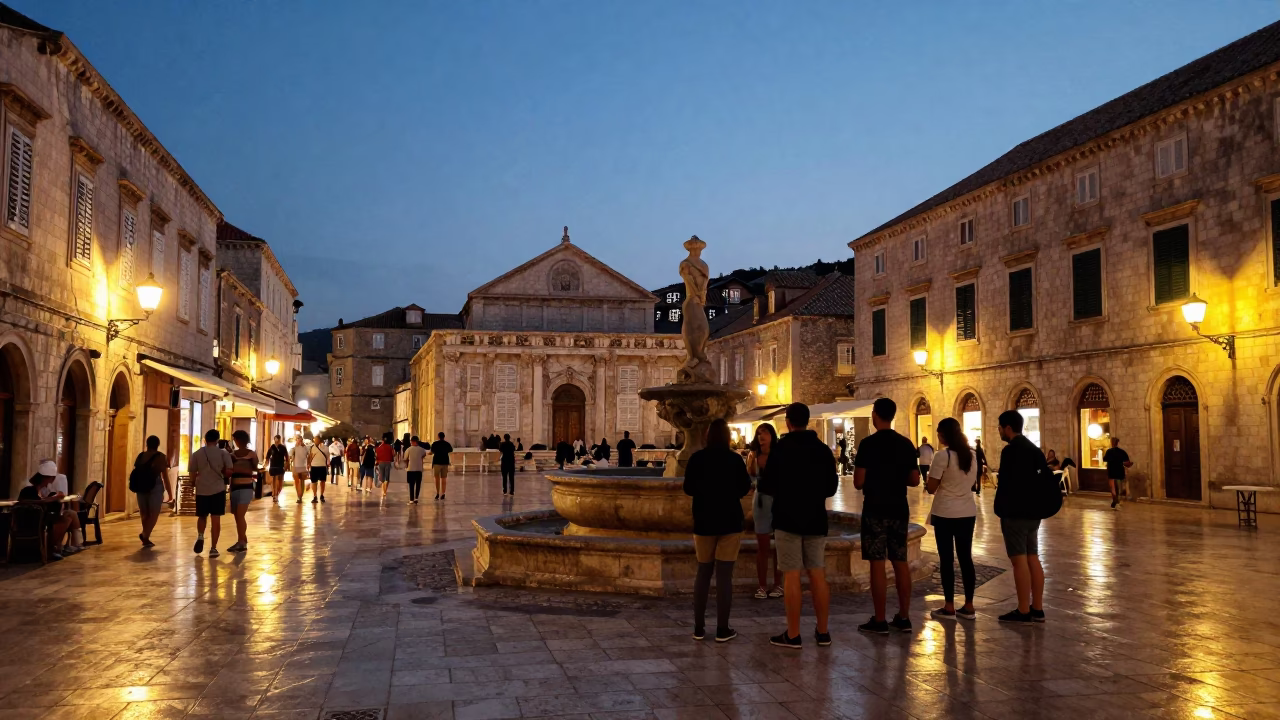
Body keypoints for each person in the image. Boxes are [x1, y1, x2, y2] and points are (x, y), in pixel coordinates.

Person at [765, 403, 838, 649]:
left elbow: (767, 485)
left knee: (792, 575)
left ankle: (794, 634)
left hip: (787, 518)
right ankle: (823, 631)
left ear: (788, 422)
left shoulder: (781, 449)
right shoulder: (822, 450)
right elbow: (831, 488)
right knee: (817, 573)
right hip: (815, 517)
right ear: (808, 421)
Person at [854, 398, 921, 634]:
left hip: (875, 508)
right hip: (898, 508)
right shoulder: (905, 444)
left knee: (877, 564)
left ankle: (880, 619)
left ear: (874, 415)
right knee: (900, 562)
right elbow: (914, 479)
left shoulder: (867, 444)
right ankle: (904, 617)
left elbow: (858, 481)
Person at [683, 418, 752, 643]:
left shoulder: (697, 459)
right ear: (727, 437)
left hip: (704, 521)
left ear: (707, 436)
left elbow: (688, 488)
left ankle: (699, 628)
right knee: (724, 576)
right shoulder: (734, 460)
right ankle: (722, 629)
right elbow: (744, 487)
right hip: (730, 522)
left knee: (703, 573)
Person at [995, 410, 1048, 624]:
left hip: (1015, 513)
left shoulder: (1011, 451)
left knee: (1019, 561)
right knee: (1032, 557)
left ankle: (1023, 610)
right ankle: (1038, 609)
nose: (999, 431)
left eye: (1000, 427)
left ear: (1008, 428)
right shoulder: (1035, 450)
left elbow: (1006, 482)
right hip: (1033, 512)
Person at [925, 418, 978, 621]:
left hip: (945, 513)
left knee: (946, 559)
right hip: (967, 512)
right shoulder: (972, 455)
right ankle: (969, 605)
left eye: (939, 433)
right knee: (966, 558)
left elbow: (931, 487)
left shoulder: (942, 456)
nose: (937, 436)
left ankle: (949, 606)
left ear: (945, 435)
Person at [747, 423, 783, 600]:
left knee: (778, 546)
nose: (762, 436)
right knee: (762, 546)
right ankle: (762, 585)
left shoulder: (779, 454)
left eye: (765, 432)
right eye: (759, 433)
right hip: (761, 502)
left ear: (772, 435)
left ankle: (778, 584)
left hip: (777, 501)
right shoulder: (754, 455)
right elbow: (751, 477)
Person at [190, 429, 233, 557]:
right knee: (216, 518)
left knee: (202, 516)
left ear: (205, 439)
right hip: (218, 489)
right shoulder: (223, 453)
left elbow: (192, 472)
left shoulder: (197, 454)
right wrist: (223, 474)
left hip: (202, 489)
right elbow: (230, 471)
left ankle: (201, 536)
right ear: (217, 440)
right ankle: (213, 548)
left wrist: (194, 483)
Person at [19, 467, 75, 560]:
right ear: (44, 479)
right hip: (32, 520)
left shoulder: (36, 491)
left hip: (36, 518)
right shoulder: (30, 490)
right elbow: (32, 504)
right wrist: (50, 500)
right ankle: (52, 548)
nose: (49, 483)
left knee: (66, 516)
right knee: (64, 519)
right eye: (49, 480)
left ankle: (56, 547)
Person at [132, 435, 172, 548]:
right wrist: (170, 494)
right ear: (158, 445)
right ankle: (145, 535)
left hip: (140, 486)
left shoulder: (140, 456)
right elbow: (165, 477)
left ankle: (146, 538)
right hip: (155, 486)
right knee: (154, 513)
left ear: (147, 444)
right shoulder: (161, 457)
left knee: (144, 513)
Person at [227, 430, 259, 553]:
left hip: (245, 487)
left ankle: (241, 542)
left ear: (238, 440)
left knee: (240, 515)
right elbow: (256, 467)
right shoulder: (234, 454)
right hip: (236, 487)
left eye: (235, 439)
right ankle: (242, 540)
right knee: (237, 516)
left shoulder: (239, 455)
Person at [1103, 437, 1132, 510]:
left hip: (1111, 471)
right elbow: (1127, 462)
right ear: (1118, 443)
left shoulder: (1109, 451)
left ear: (1112, 443)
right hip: (1119, 471)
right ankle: (1118, 500)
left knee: (1112, 487)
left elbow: (1105, 459)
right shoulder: (1122, 452)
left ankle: (1115, 500)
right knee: (1119, 486)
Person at [265, 435, 289, 504]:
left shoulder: (283, 447)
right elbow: (268, 456)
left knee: (280, 481)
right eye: (275, 439)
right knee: (274, 480)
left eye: (278, 439)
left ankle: (277, 493)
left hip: (280, 466)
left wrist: (286, 465)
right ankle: (275, 494)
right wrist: (266, 463)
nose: (277, 440)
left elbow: (286, 457)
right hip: (273, 465)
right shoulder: (272, 447)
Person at [404, 436, 427, 504]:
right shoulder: (422, 449)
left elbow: (405, 459)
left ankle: (411, 499)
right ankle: (416, 498)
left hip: (410, 469)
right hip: (419, 469)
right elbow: (424, 455)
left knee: (411, 484)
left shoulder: (408, 449)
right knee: (418, 484)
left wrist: (406, 465)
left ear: (412, 441)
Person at [430, 432, 453, 500]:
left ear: (438, 436)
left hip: (437, 462)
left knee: (437, 478)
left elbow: (432, 451)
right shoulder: (447, 444)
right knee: (444, 479)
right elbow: (451, 450)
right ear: (444, 437)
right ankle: (443, 493)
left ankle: (437, 493)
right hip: (445, 462)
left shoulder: (435, 444)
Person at [289, 435, 310, 503]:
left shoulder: (306, 448)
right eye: (298, 439)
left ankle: (300, 496)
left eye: (300, 439)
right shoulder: (294, 448)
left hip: (303, 467)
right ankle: (299, 496)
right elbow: (290, 456)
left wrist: (309, 464)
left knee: (302, 481)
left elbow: (309, 455)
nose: (299, 441)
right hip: (296, 467)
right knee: (297, 482)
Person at [307, 436, 329, 504]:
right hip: (314, 466)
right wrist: (308, 465)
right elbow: (309, 456)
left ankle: (322, 495)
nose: (315, 441)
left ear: (320, 440)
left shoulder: (325, 448)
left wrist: (327, 464)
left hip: (322, 466)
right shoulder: (311, 447)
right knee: (314, 482)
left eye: (317, 439)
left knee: (322, 481)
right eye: (315, 439)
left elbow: (327, 456)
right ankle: (314, 496)